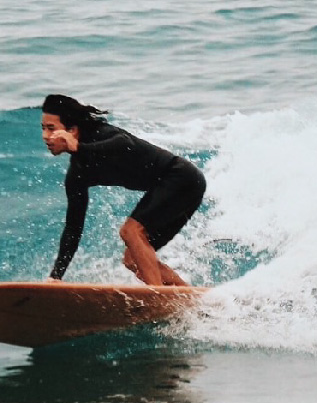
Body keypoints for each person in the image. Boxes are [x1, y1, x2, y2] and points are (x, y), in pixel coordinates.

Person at [41, 94, 205, 287]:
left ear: (72, 130)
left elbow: (124, 143)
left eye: (51, 129)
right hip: (176, 188)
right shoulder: (77, 174)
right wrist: (56, 276)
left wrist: (79, 147)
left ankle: (157, 295)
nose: (45, 136)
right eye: (43, 129)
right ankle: (187, 298)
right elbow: (73, 229)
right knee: (132, 260)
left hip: (181, 177)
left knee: (130, 231)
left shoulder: (102, 134)